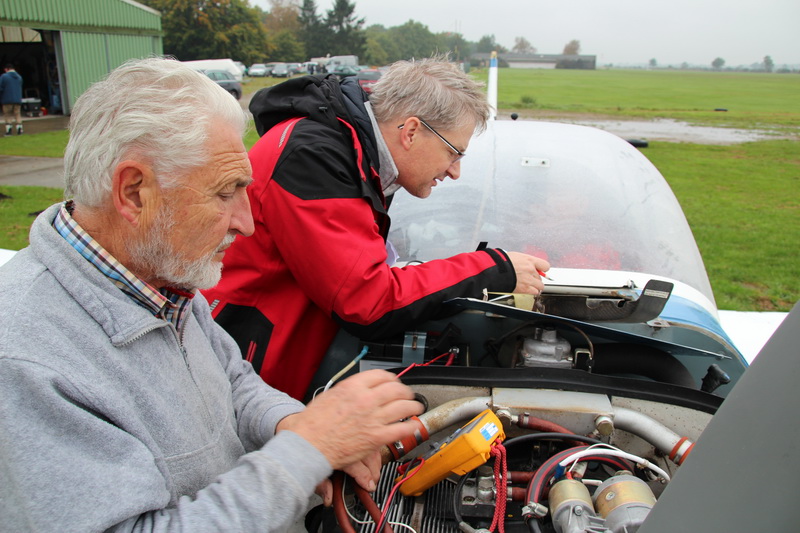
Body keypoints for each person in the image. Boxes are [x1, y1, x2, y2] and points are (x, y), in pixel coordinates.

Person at [0, 57, 423, 532]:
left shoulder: (160, 280)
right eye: (226, 193)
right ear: (134, 192)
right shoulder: (27, 360)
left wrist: (294, 426)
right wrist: (307, 451)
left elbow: (234, 383)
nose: (245, 222)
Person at [203, 56, 551, 400]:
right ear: (412, 131)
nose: (454, 171)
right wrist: (493, 268)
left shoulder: (348, 149)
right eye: (453, 153)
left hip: (264, 369)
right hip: (236, 377)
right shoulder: (314, 158)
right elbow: (367, 301)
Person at [0, 63, 23, 135]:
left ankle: (9, 131)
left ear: (6, 69)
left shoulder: (4, 76)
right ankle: (19, 130)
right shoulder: (19, 77)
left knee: (7, 115)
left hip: (7, 100)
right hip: (17, 99)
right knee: (17, 114)